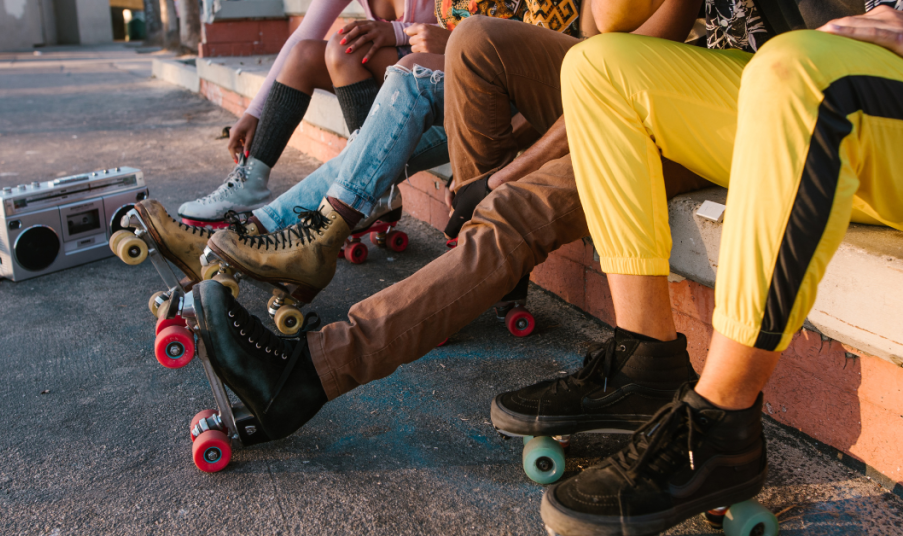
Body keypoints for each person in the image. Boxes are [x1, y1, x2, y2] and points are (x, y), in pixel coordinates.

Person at [187, 2, 709, 445]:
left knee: (511, 206)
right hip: (637, 85)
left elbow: (612, 77)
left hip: (700, 108)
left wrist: (504, 178)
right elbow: (598, 47)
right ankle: (476, 267)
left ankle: (307, 373)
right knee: (476, 40)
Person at [527, 1, 903, 534]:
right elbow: (612, 19)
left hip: (859, 88)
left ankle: (721, 425)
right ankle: (645, 364)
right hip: (793, 92)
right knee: (598, 66)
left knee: (794, 69)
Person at [177, 0, 441, 226]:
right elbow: (303, 34)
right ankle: (250, 184)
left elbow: (466, 28)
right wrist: (254, 113)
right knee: (304, 54)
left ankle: (375, 189)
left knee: (345, 45)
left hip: (434, 77)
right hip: (395, 75)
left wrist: (396, 31)